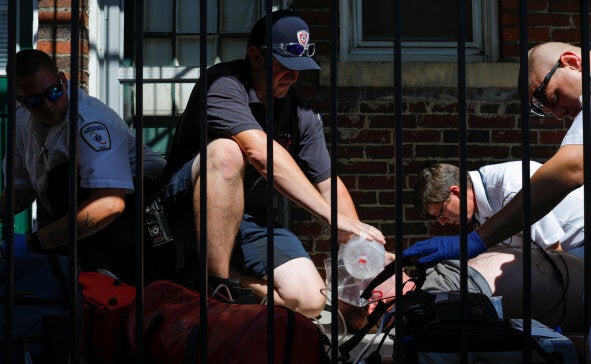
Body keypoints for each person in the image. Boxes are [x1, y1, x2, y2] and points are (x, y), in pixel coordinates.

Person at [161, 9, 385, 318]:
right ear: (255, 56)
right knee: (227, 151)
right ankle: (214, 282)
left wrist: (363, 249)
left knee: (309, 300)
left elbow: (328, 184)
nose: (294, 76)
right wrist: (333, 219)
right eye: (286, 66)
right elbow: (261, 153)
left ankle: (222, 283)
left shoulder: (300, 113)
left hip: (251, 221)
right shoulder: (223, 83)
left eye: (300, 68)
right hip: (187, 208)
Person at [403, 39, 591, 267]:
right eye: (544, 111)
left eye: (551, 98)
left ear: (571, 62)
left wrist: (477, 239)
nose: (559, 115)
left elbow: (571, 169)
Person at [4, 49, 167, 281]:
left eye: (53, 92)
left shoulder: (89, 121)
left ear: (62, 79)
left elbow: (110, 203)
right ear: (20, 100)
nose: (48, 105)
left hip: (145, 211)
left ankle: (95, 281)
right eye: (34, 101)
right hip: (88, 210)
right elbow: (21, 192)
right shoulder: (22, 119)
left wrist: (34, 242)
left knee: (63, 177)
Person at [340, 246, 591, 335]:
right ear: (375, 303)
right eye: (367, 275)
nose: (379, 263)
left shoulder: (429, 284)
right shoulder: (434, 301)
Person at [413, 161, 591, 269]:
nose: (442, 222)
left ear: (456, 192)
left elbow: (554, 254)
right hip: (575, 248)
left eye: (440, 212)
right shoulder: (484, 205)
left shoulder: (510, 186)